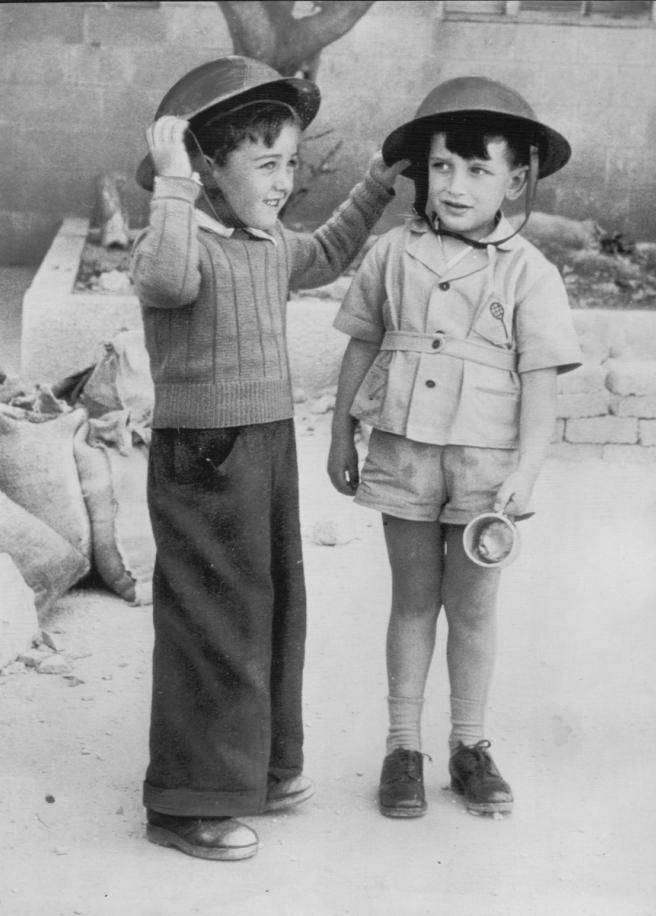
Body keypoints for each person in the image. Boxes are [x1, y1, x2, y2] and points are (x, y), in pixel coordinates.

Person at [130, 55, 408, 860]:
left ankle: (261, 768)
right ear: (207, 164)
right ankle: (186, 801)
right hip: (203, 456)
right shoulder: (179, 238)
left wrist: (375, 185)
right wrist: (172, 183)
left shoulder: (263, 242)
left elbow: (323, 254)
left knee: (275, 606)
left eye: (291, 161)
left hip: (266, 446)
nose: (284, 179)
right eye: (265, 162)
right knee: (213, 624)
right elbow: (166, 279)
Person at [328, 76, 582, 819]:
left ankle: (470, 745)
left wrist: (527, 473)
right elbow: (361, 346)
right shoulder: (390, 255)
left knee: (471, 609)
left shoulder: (529, 272)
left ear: (517, 177)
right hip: (404, 452)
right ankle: (402, 747)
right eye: (443, 166)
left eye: (479, 169)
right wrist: (341, 429)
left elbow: (540, 385)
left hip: (483, 467)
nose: (458, 184)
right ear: (422, 172)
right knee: (412, 602)